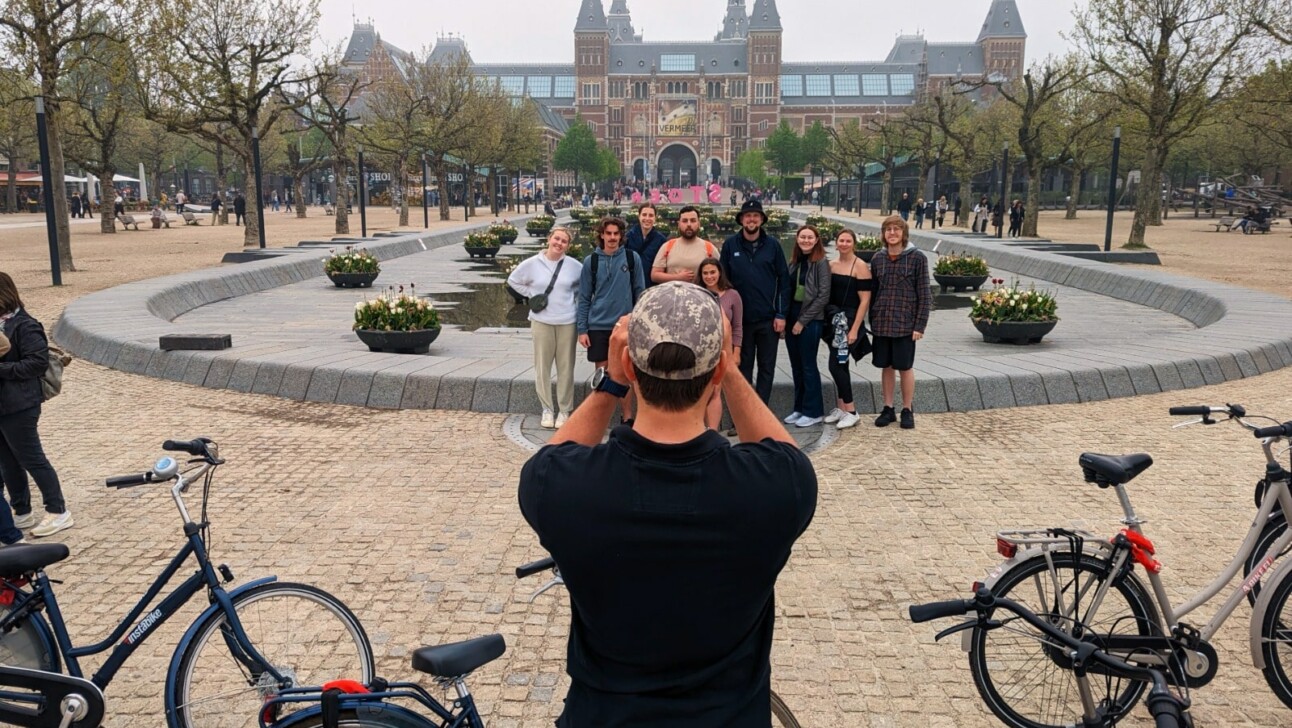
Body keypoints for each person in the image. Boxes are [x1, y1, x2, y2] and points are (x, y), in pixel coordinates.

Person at [518, 281, 817, 727]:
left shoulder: (561, 486)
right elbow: (785, 452)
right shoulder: (776, 488)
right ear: (716, 371)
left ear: (629, 366)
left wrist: (611, 383)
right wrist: (731, 372)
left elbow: (552, 455)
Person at [0, 273, 73, 538]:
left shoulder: (24, 325)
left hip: (20, 404)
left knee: (31, 457)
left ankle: (58, 511)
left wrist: (1, 369)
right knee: (7, 462)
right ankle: (22, 511)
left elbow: (36, 364)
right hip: (2, 405)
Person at [507, 229, 583, 429]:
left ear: (568, 245)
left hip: (567, 321)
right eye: (556, 238)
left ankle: (564, 410)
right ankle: (547, 408)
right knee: (543, 367)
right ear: (549, 239)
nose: (559, 243)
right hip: (542, 321)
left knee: (566, 367)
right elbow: (512, 281)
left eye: (564, 241)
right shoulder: (532, 263)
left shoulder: (575, 266)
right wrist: (531, 294)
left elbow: (583, 287)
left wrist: (572, 300)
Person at [720, 199, 789, 404]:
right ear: (741, 219)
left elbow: (784, 281)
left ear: (761, 220)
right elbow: (723, 282)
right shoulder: (730, 245)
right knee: (743, 368)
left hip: (768, 320)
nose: (751, 219)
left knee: (767, 368)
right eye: (748, 215)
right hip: (741, 322)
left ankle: (763, 411)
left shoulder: (773, 246)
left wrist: (781, 313)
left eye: (755, 216)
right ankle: (744, 414)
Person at [577, 217, 645, 424]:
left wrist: (639, 322)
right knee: (602, 374)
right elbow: (584, 297)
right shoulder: (591, 262)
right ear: (602, 235)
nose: (613, 237)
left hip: (624, 326)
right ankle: (601, 417)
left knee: (625, 373)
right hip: (598, 325)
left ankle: (628, 418)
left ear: (621, 236)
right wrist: (582, 329)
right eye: (609, 233)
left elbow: (640, 292)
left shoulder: (633, 259)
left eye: (616, 234)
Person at [869, 215, 930, 430]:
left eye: (896, 229)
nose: (892, 233)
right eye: (888, 230)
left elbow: (924, 294)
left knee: (904, 367)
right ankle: (888, 408)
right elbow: (873, 292)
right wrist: (872, 320)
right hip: (882, 322)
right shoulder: (878, 259)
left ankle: (907, 409)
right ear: (884, 234)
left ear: (904, 233)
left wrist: (919, 325)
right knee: (885, 366)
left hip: (905, 323)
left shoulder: (917, 258)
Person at [823, 230, 874, 430]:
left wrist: (854, 329)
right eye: (841, 240)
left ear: (853, 243)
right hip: (833, 321)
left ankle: (852, 411)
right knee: (839, 364)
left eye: (848, 241)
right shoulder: (832, 265)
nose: (844, 244)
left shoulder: (860, 266)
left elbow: (865, 301)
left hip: (849, 321)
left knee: (836, 365)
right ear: (836, 244)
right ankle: (842, 407)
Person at [781, 226, 830, 428]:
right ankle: (799, 408)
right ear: (797, 239)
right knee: (797, 366)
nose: (806, 240)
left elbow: (823, 296)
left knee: (808, 365)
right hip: (792, 317)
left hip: (810, 320)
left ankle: (814, 411)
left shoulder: (821, 262)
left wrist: (803, 321)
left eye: (810, 237)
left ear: (817, 239)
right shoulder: (795, 260)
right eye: (803, 237)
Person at [694, 258, 742, 431]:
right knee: (700, 391)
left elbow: (737, 326)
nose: (709, 276)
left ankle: (712, 430)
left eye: (712, 272)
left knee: (715, 390)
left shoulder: (732, 295)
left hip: (722, 350)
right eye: (705, 273)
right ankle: (699, 429)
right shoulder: (696, 293)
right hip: (700, 349)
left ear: (719, 272)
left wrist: (736, 352)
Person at [651, 206, 717, 284]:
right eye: (685, 221)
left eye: (693, 221)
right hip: (673, 295)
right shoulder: (667, 246)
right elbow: (654, 275)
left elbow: (721, 273)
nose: (689, 224)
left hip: (699, 295)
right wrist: (677, 278)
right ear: (679, 224)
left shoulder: (709, 248)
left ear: (699, 224)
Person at [624, 202, 667, 289]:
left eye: (651, 215)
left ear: (655, 218)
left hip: (651, 286)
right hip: (630, 285)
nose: (647, 218)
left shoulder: (661, 240)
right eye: (644, 215)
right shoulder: (627, 237)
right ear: (639, 216)